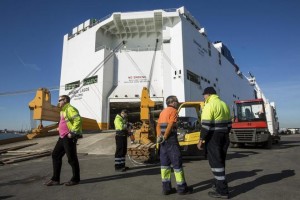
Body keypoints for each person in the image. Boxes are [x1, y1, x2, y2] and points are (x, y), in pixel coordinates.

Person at [197, 87, 231, 199]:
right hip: (224, 136)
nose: (204, 97)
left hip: (213, 138)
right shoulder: (224, 104)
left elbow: (205, 125)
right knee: (220, 162)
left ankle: (222, 191)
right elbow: (230, 124)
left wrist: (201, 140)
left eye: (204, 95)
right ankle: (218, 184)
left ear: (209, 95)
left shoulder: (209, 105)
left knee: (216, 163)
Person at [156, 95, 193, 195]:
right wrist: (166, 136)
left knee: (165, 165)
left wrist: (160, 136)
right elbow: (171, 124)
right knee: (177, 164)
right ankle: (181, 188)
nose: (177, 103)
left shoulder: (163, 111)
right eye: (176, 101)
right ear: (172, 102)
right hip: (171, 140)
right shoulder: (173, 111)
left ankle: (166, 189)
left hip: (163, 142)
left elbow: (158, 125)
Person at [44, 95, 82, 186]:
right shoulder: (63, 110)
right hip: (62, 137)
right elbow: (65, 122)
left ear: (65, 100)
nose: (58, 102)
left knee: (72, 159)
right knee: (55, 155)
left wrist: (72, 132)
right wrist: (59, 128)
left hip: (69, 137)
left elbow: (78, 119)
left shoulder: (70, 108)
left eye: (60, 100)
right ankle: (55, 179)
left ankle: (75, 179)